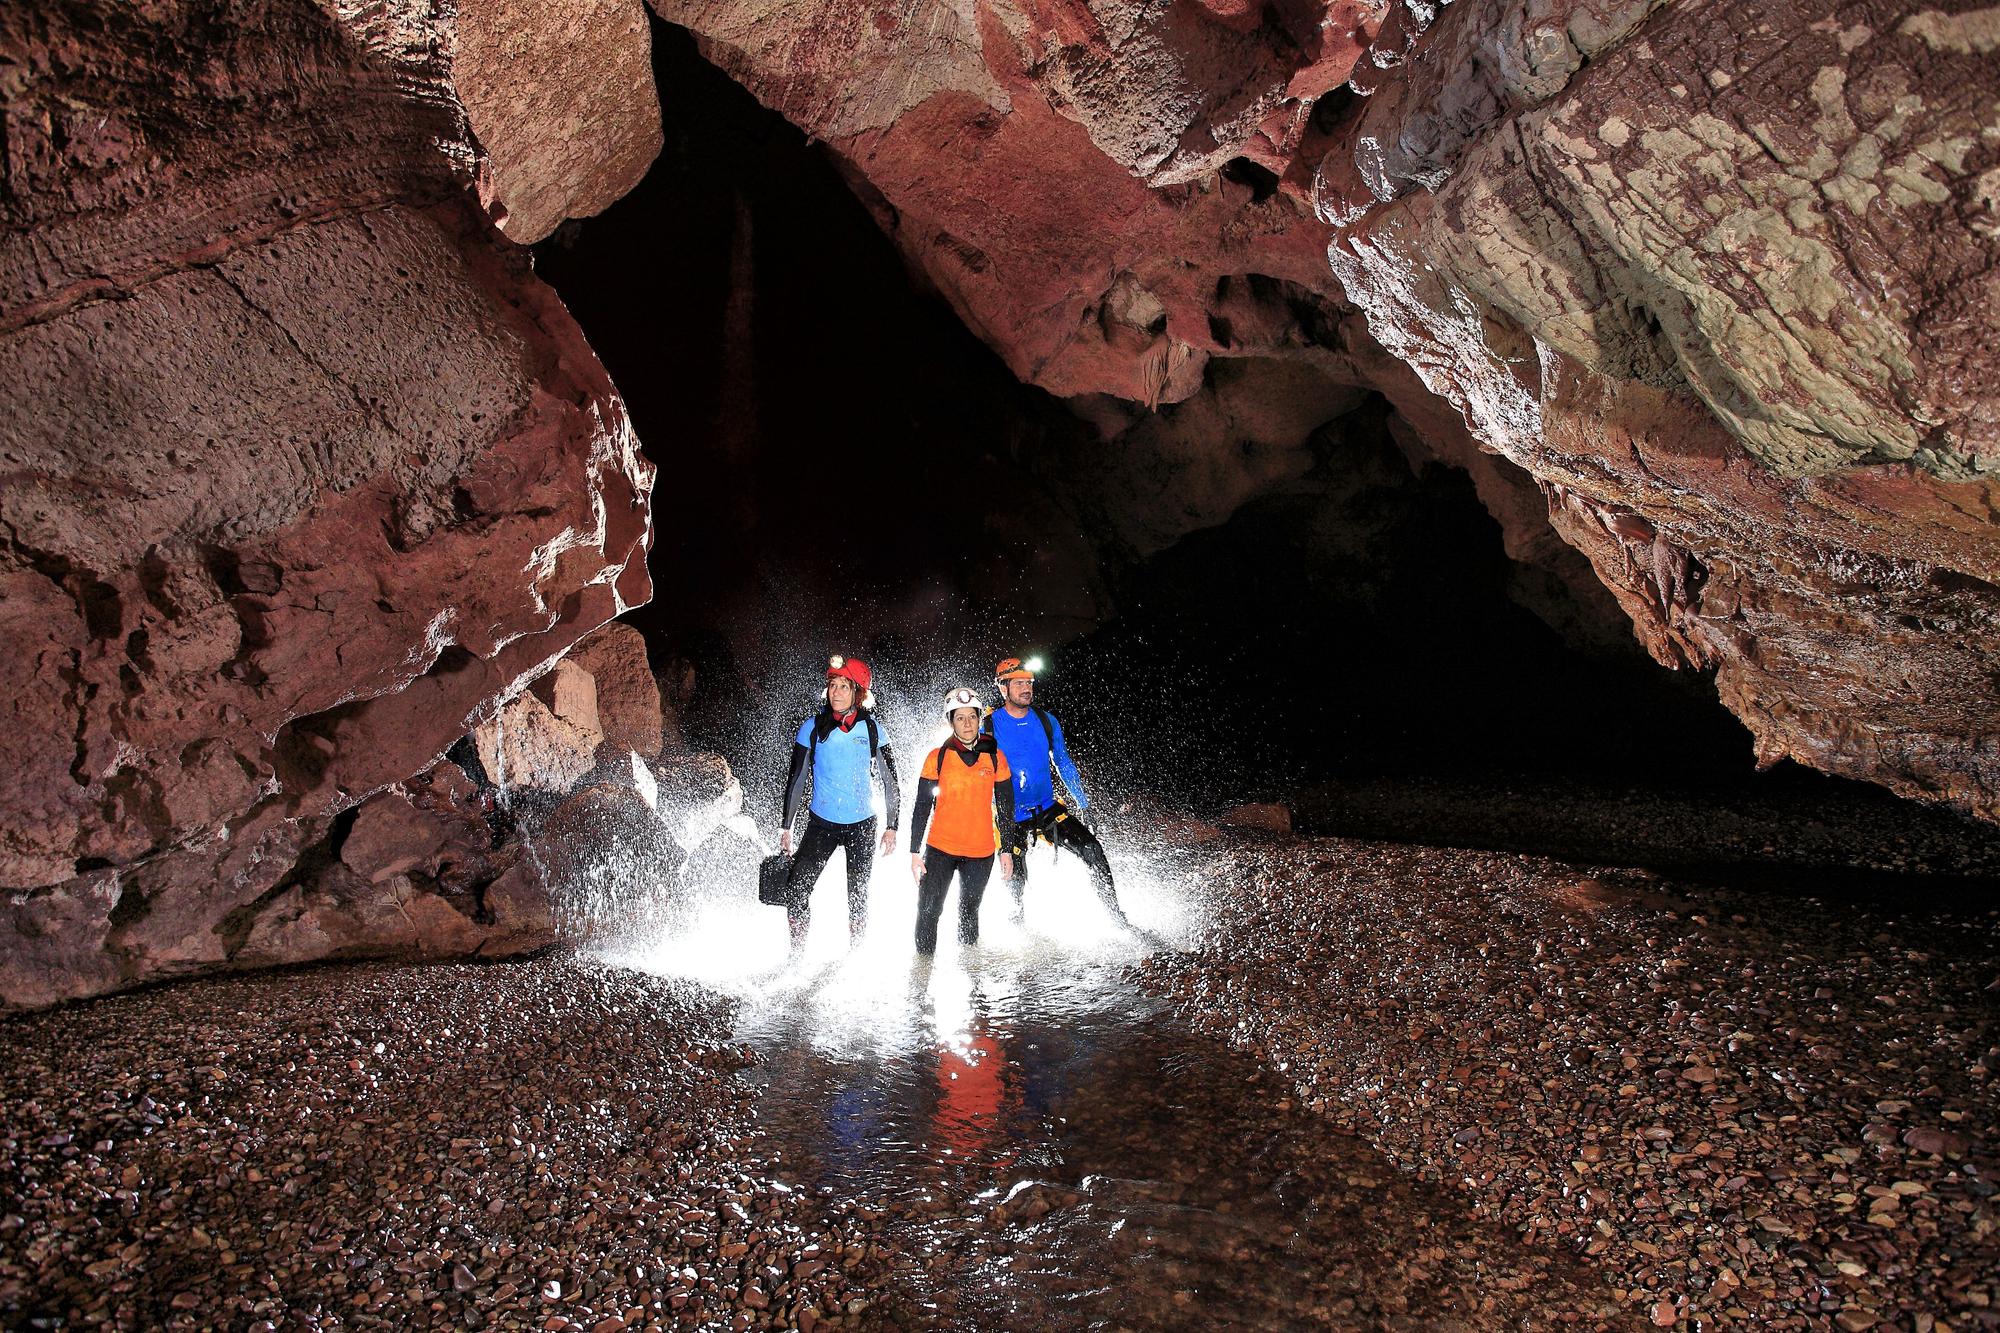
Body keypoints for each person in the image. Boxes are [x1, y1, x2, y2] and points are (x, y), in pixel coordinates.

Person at [983, 656, 1131, 928]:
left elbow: (1063, 762)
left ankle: (1117, 917)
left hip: (1047, 807)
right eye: (1019, 683)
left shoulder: (1045, 720)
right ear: (1003, 688)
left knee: (1093, 850)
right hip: (1010, 815)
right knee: (1013, 875)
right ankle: (1017, 924)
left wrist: (1083, 804)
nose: (1027, 688)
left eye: (1029, 682)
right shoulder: (988, 726)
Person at [779, 655, 899, 950]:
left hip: (862, 825)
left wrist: (892, 826)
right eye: (833, 685)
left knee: (857, 897)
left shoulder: (872, 729)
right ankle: (797, 955)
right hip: (821, 824)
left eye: (845, 686)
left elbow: (891, 782)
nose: (836, 692)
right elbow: (796, 779)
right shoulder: (811, 727)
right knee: (796, 889)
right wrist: (786, 827)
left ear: (858, 693)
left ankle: (855, 955)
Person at [908, 687, 1018, 956]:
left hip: (980, 852)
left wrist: (1006, 850)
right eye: (960, 717)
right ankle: (923, 969)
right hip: (940, 849)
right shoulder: (937, 757)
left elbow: (1006, 808)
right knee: (928, 910)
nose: (967, 723)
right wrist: (914, 851)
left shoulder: (996, 757)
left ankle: (969, 967)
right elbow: (922, 806)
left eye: (972, 716)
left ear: (980, 718)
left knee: (969, 911)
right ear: (951, 722)